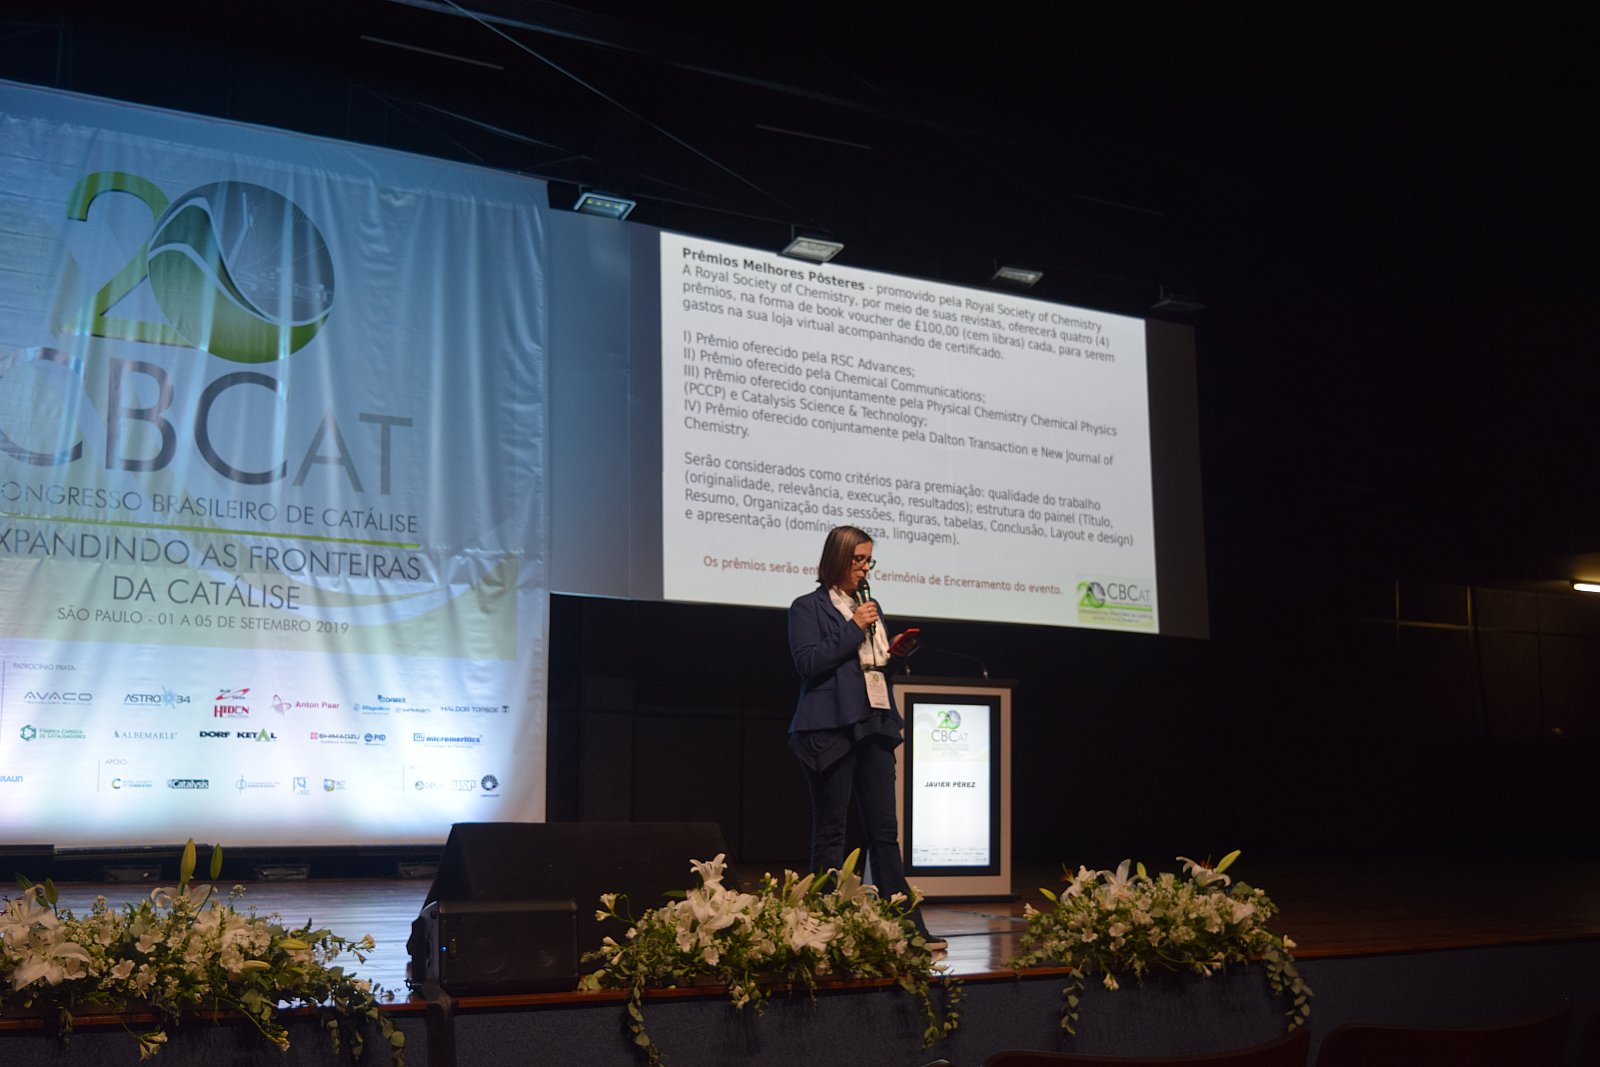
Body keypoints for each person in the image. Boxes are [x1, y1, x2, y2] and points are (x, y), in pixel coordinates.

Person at [787, 525, 941, 947]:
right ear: (837, 559)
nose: (865, 568)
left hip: (874, 723)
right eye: (858, 559)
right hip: (830, 727)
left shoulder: (870, 606)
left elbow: (872, 667)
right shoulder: (807, 608)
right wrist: (854, 626)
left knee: (884, 832)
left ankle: (907, 925)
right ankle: (823, 926)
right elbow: (809, 663)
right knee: (831, 832)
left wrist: (896, 655)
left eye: (868, 560)